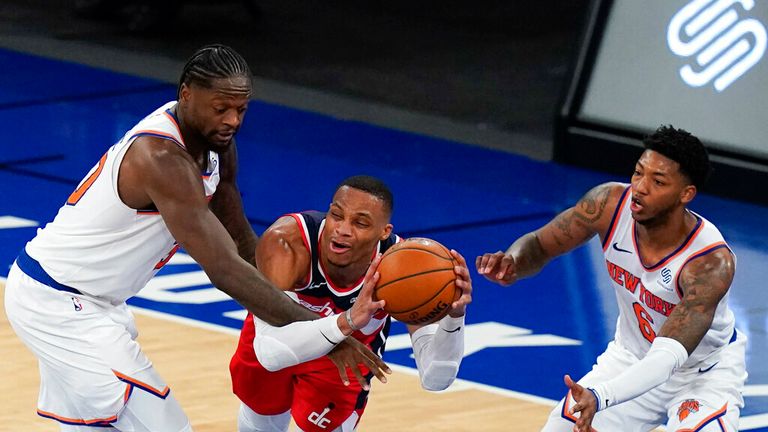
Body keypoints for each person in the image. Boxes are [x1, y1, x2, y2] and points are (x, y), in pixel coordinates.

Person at [4, 45, 387, 432]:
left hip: (98, 304)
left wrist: (291, 310)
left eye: (241, 110)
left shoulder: (216, 145)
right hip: (56, 302)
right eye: (221, 109)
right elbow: (222, 268)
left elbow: (239, 239)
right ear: (186, 93)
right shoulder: (161, 158)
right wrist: (326, 330)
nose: (232, 121)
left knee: (98, 427)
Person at [476, 125, 747, 432]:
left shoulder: (709, 263)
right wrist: (513, 262)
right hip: (631, 357)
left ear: (686, 194)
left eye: (657, 181)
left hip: (700, 376)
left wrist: (601, 395)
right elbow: (540, 245)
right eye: (638, 173)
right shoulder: (608, 204)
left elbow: (665, 359)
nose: (640, 187)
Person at [229, 175, 472, 432]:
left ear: (383, 232)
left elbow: (436, 379)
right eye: (336, 215)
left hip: (345, 363)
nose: (342, 229)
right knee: (259, 419)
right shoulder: (287, 242)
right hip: (282, 337)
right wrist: (347, 323)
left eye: (360, 223)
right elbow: (269, 352)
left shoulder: (404, 268)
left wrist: (454, 317)